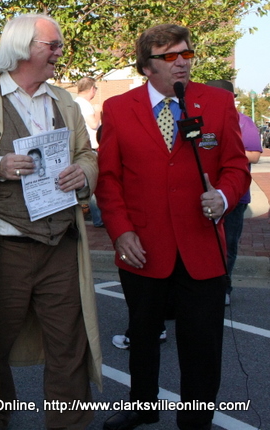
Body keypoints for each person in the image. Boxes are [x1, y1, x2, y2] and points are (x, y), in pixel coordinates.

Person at [0, 13, 101, 430]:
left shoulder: (64, 101)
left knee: (69, 344)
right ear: (23, 47)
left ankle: (68, 425)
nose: (60, 52)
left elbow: (87, 154)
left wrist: (84, 173)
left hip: (61, 243)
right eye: (53, 45)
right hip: (3, 245)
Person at [96, 24, 250, 430]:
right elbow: (108, 178)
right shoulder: (118, 109)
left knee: (202, 346)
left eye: (186, 53)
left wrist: (223, 197)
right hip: (142, 246)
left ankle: (195, 421)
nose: (181, 62)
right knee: (142, 336)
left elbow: (236, 165)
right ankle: (142, 406)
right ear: (147, 66)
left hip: (202, 245)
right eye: (169, 56)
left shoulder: (217, 101)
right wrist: (120, 230)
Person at [205, 79, 262, 306]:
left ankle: (223, 288)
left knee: (227, 245)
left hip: (234, 198)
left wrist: (226, 150)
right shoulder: (197, 120)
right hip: (202, 196)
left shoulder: (244, 122)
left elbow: (254, 155)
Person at [74, 76, 104, 227]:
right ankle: (98, 218)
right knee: (93, 181)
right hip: (89, 148)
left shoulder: (75, 103)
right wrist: (98, 111)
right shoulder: (84, 105)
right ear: (92, 89)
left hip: (83, 147)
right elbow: (93, 124)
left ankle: (97, 217)